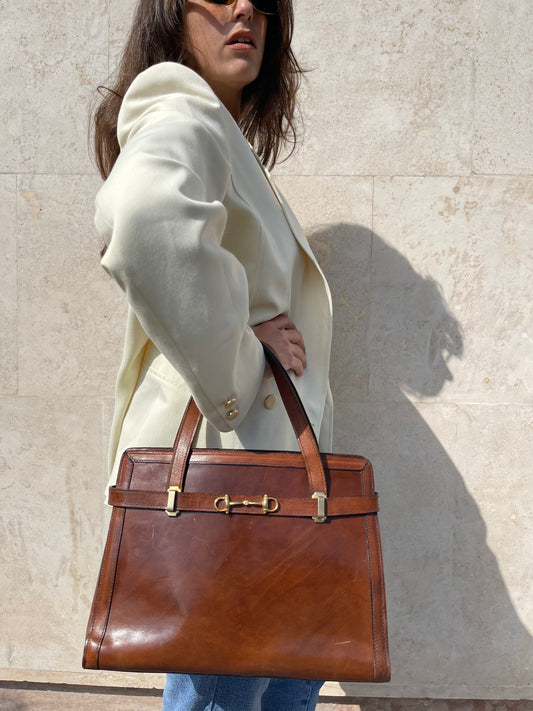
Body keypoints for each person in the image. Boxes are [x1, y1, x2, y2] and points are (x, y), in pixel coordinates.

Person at [92, 0, 333, 709]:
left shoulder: (214, 132)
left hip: (259, 494)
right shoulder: (181, 114)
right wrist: (237, 358)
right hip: (233, 496)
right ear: (170, 13)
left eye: (262, 1)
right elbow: (140, 221)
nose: (244, 9)